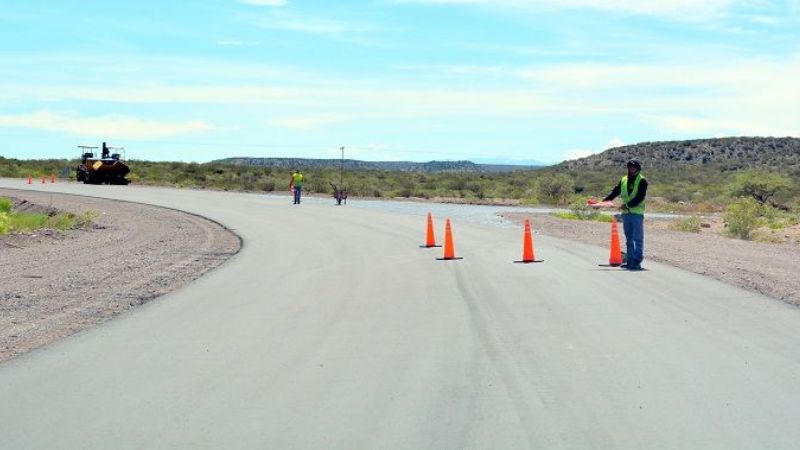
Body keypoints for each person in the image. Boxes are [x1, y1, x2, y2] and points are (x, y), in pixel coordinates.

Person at [602, 158, 648, 270]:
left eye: (633, 167)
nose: (631, 169)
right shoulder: (623, 180)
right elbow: (615, 192)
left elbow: (639, 197)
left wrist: (627, 205)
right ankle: (630, 261)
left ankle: (636, 262)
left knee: (638, 239)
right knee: (629, 239)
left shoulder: (642, 181)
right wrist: (603, 202)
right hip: (626, 214)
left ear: (637, 168)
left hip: (636, 214)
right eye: (629, 167)